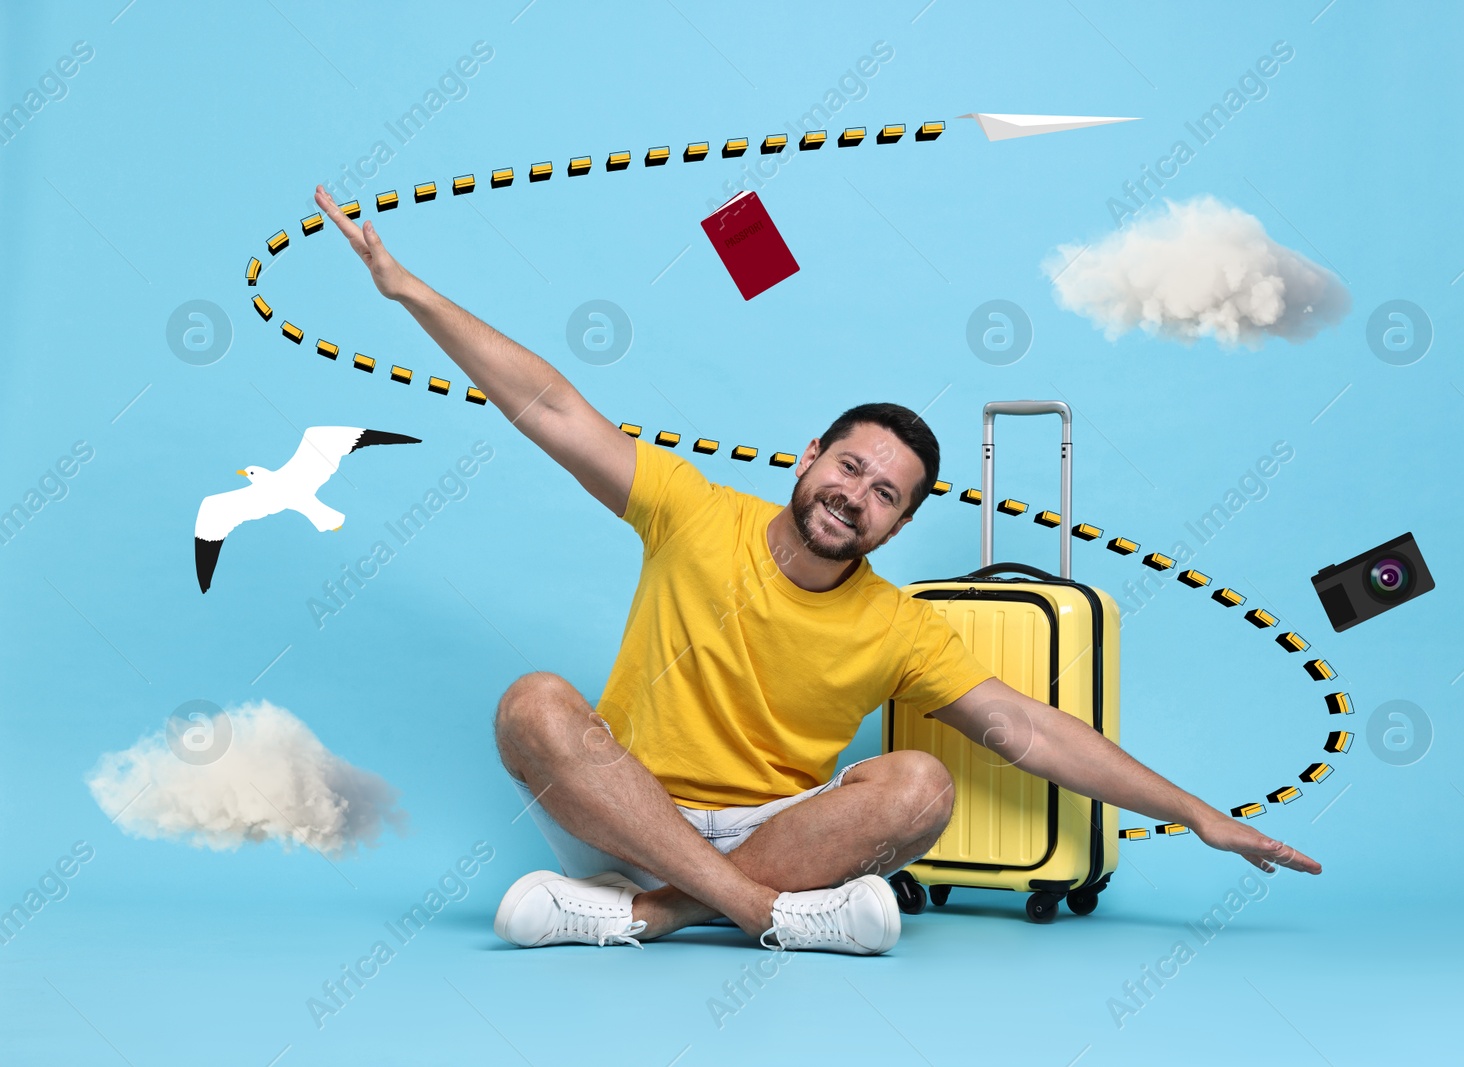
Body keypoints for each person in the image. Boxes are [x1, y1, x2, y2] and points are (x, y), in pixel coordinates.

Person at [314, 184, 1322, 957]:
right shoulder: (691, 508)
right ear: (807, 457)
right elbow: (551, 406)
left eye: (885, 492)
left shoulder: (897, 623)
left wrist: (1195, 813)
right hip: (625, 809)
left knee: (922, 783)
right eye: (849, 465)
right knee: (532, 702)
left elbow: (1031, 728)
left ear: (898, 521)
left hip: (775, 826)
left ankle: (643, 918)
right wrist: (408, 291)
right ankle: (754, 913)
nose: (856, 494)